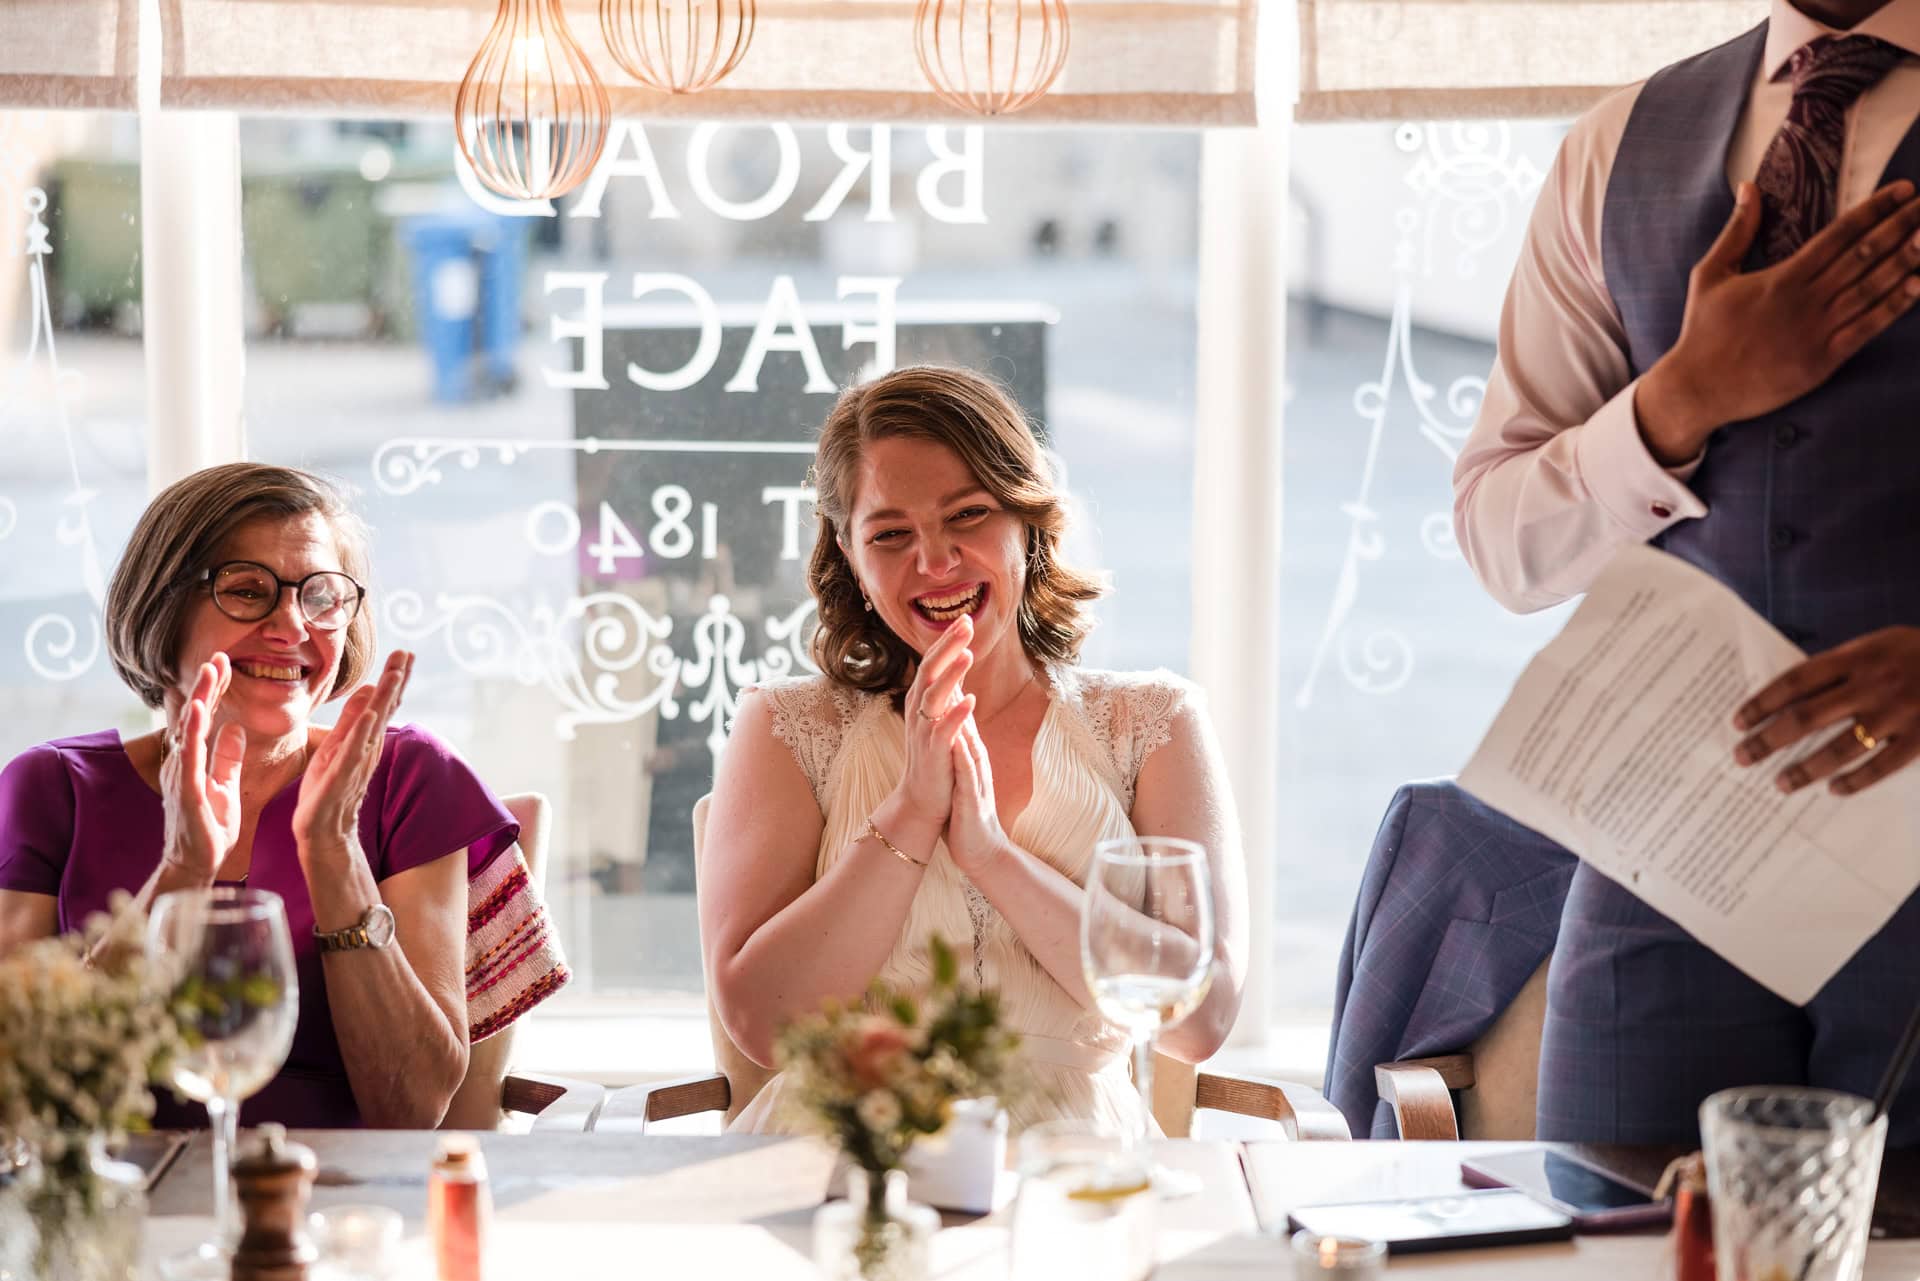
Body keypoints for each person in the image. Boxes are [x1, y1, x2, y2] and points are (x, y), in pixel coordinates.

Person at [1453, 0, 1920, 1143]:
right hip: (1668, 858)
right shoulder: (1616, 148)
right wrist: (1683, 398)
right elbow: (1502, 538)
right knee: (1626, 1240)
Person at [701, 365, 1248, 1134]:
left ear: (1028, 520)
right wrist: (911, 814)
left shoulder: (1154, 721)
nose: (935, 562)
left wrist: (994, 854)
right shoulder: (785, 727)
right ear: (852, 561)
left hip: (1077, 1162)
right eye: (890, 534)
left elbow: (1202, 1017)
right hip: (844, 1154)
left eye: (968, 515)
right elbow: (763, 1022)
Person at [0, 463, 565, 1129]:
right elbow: (26, 1087)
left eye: (321, 595)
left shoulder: (410, 778)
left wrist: (333, 855)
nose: (292, 623)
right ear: (161, 608)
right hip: (122, 1203)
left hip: (339, 1205)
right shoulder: (52, 789)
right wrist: (181, 872)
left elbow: (410, 1107)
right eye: (247, 589)